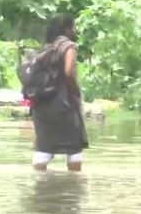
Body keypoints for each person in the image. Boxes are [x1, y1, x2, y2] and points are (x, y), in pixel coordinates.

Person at [30, 15, 88, 172]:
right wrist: (76, 92)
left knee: (44, 146)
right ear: (67, 29)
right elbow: (69, 72)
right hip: (63, 104)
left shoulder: (45, 48)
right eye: (73, 27)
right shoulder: (68, 46)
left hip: (41, 105)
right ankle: (74, 184)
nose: (75, 30)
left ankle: (38, 180)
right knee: (74, 147)